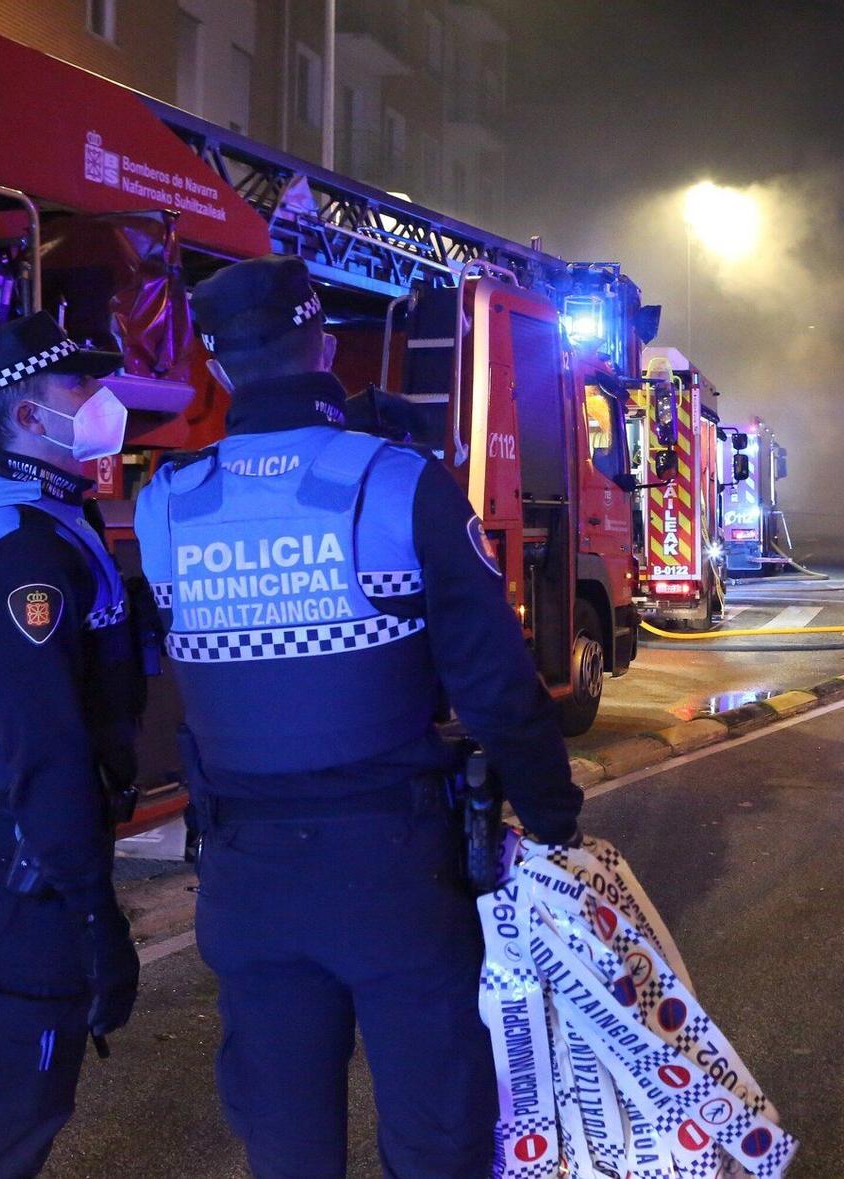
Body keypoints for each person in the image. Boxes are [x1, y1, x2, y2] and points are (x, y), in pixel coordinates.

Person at [135, 256, 583, 1176]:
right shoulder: (398, 480)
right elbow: (495, 683)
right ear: (324, 344)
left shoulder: (165, 506)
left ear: (215, 369)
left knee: (286, 1134)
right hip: (393, 872)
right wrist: (551, 817)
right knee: (436, 1127)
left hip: (245, 876)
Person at [0, 313, 144, 1178]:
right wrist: (94, 909)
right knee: (19, 1105)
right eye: (77, 389)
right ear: (24, 417)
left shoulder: (21, 515)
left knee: (6, 1081)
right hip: (25, 850)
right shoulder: (22, 552)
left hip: (0, 840)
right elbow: (45, 744)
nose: (98, 404)